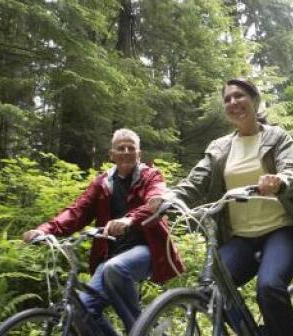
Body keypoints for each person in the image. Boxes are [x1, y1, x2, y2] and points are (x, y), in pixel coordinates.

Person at [151, 79, 293, 336]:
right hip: (241, 239)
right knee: (210, 290)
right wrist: (169, 197)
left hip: (282, 231)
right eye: (228, 99)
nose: (233, 102)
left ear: (255, 100)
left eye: (239, 96)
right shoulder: (219, 147)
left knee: (268, 287)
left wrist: (279, 180)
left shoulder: (276, 137)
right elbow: (194, 182)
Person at [22, 128, 184, 336]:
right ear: (111, 154)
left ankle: (142, 331)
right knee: (83, 311)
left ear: (139, 154)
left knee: (115, 269)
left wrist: (129, 219)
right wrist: (44, 229)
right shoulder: (103, 183)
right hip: (110, 257)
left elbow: (156, 202)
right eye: (120, 148)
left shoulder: (151, 176)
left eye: (131, 148)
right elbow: (77, 211)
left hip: (147, 249)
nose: (126, 152)